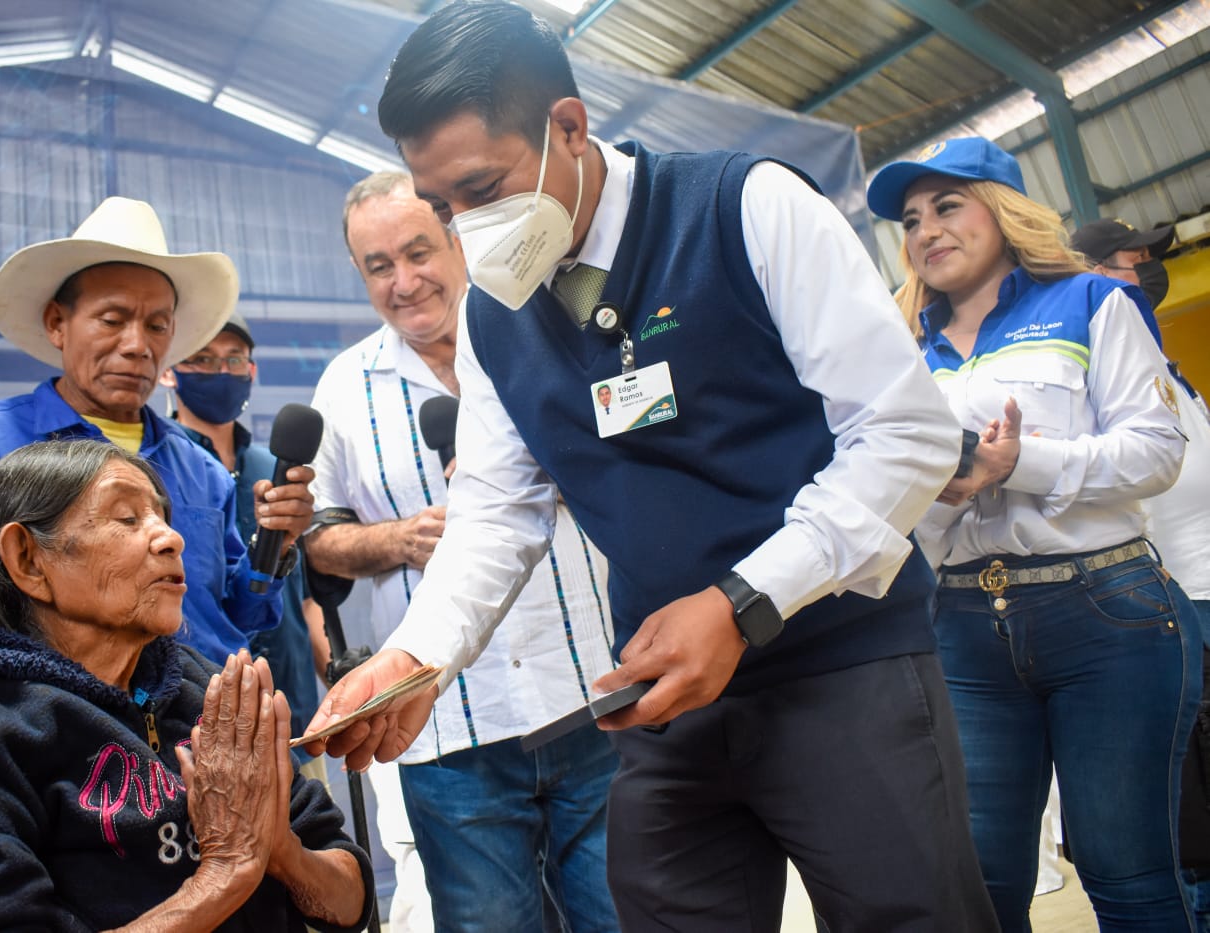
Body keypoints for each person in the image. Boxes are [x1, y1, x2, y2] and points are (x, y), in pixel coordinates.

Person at [302, 4, 998, 931]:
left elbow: (902, 432)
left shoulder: (745, 208)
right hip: (664, 692)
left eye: (482, 188)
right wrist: (417, 656)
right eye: (442, 206)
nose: (467, 228)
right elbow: (497, 511)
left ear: (568, 127)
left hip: (839, 664)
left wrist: (743, 602)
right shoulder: (492, 317)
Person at [866, 136, 1200, 931]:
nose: (926, 230)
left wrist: (1021, 462)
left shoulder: (1091, 302)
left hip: (1108, 613)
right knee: (978, 885)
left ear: (1002, 210)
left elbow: (1157, 451)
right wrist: (929, 489)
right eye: (911, 220)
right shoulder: (901, 352)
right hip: (962, 625)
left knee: (1127, 874)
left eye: (948, 206)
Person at [0, 440, 372, 931]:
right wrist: (225, 872)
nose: (170, 539)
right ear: (27, 560)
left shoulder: (202, 688)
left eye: (163, 517)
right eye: (127, 519)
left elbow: (351, 901)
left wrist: (281, 850)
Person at [305, 169, 620, 933]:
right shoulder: (344, 387)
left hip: (591, 695)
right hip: (447, 730)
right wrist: (396, 538)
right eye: (379, 266)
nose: (405, 281)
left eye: (418, 252)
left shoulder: (547, 333)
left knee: (627, 914)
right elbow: (319, 543)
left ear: (457, 240)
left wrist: (560, 475)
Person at [0, 196, 315, 665]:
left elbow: (234, 616)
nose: (137, 345)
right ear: (57, 323)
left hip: (196, 707)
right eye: (112, 320)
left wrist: (271, 549)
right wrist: (42, 685)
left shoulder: (201, 468)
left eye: (157, 325)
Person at [1073, 217, 1210, 931]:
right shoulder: (1093, 363)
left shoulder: (1164, 364)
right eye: (1133, 261)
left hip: (1204, 591)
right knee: (1185, 809)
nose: (1147, 271)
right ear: (1094, 273)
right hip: (1166, 601)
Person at [160, 310, 326, 744]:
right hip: (202, 716)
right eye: (202, 358)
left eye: (234, 359)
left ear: (251, 371)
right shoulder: (156, 468)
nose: (221, 371)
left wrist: (335, 679)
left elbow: (304, 598)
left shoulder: (274, 469)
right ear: (168, 371)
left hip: (295, 711)